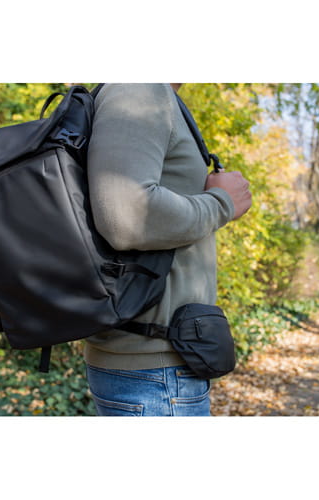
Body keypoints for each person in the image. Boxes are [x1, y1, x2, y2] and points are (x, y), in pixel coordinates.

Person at [84, 83, 252, 416]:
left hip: (161, 367)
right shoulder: (138, 89)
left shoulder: (153, 92)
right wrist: (223, 203)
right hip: (154, 374)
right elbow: (125, 215)